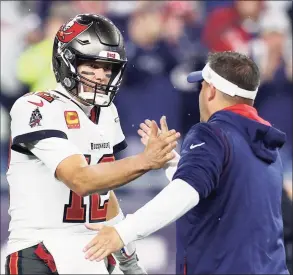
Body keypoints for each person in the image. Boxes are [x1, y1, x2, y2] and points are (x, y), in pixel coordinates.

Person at [83, 51, 290, 274]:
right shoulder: (267, 145)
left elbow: (185, 192)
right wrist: (170, 160)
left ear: (211, 90)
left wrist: (121, 232)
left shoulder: (212, 134)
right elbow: (210, 191)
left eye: (201, 86)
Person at [5, 14, 180, 275]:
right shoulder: (35, 106)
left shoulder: (107, 113)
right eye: (92, 65)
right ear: (67, 61)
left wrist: (128, 259)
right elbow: (81, 180)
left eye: (108, 68)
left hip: (90, 250)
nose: (101, 76)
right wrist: (145, 160)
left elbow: (104, 195)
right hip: (40, 251)